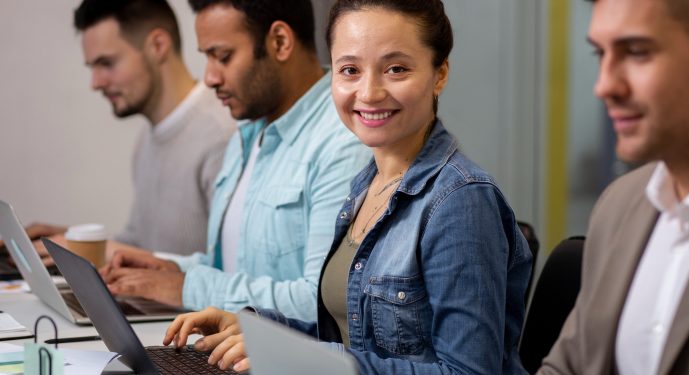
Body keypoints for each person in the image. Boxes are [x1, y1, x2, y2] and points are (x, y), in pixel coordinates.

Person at [162, 1, 532, 374]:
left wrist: (304, 360)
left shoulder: (460, 200)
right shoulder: (367, 184)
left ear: (439, 74)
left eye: (396, 69)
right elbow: (353, 339)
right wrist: (256, 329)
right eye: (350, 70)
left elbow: (469, 372)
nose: (368, 93)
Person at [99, 0, 371, 318]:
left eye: (223, 57)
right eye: (207, 57)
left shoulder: (342, 143)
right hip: (230, 349)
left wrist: (185, 287)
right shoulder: (246, 134)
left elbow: (320, 301)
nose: (210, 77)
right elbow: (233, 269)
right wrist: (170, 268)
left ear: (280, 42)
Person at [539, 0, 689, 374]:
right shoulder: (620, 205)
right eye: (600, 53)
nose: (604, 85)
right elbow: (569, 365)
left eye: (637, 52)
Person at [0, 0, 236, 259]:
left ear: (158, 46)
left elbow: (229, 273)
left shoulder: (223, 136)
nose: (96, 83)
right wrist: (76, 242)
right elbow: (143, 245)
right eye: (93, 68)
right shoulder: (147, 139)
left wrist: (97, 251)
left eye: (107, 63)